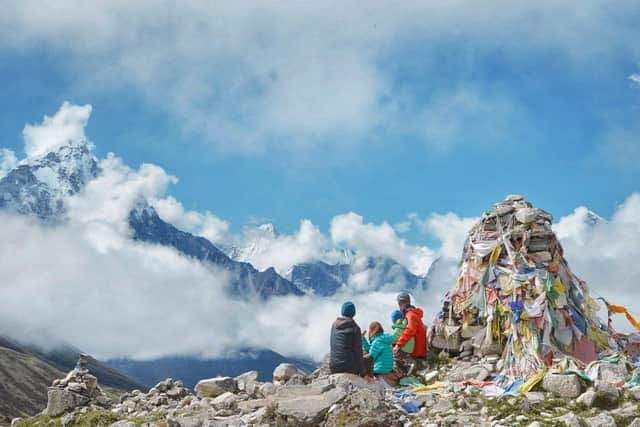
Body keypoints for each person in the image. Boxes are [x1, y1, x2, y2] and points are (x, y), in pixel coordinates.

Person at [393, 292, 427, 371]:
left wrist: (398, 345)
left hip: (416, 351)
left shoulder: (410, 315)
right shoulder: (414, 314)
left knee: (394, 352)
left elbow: (410, 330)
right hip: (419, 349)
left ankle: (402, 369)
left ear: (401, 304)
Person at [330, 301, 365, 376]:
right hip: (349, 368)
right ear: (353, 313)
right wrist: (363, 374)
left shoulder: (334, 325)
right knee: (369, 358)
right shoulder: (355, 328)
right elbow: (358, 352)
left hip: (333, 367)